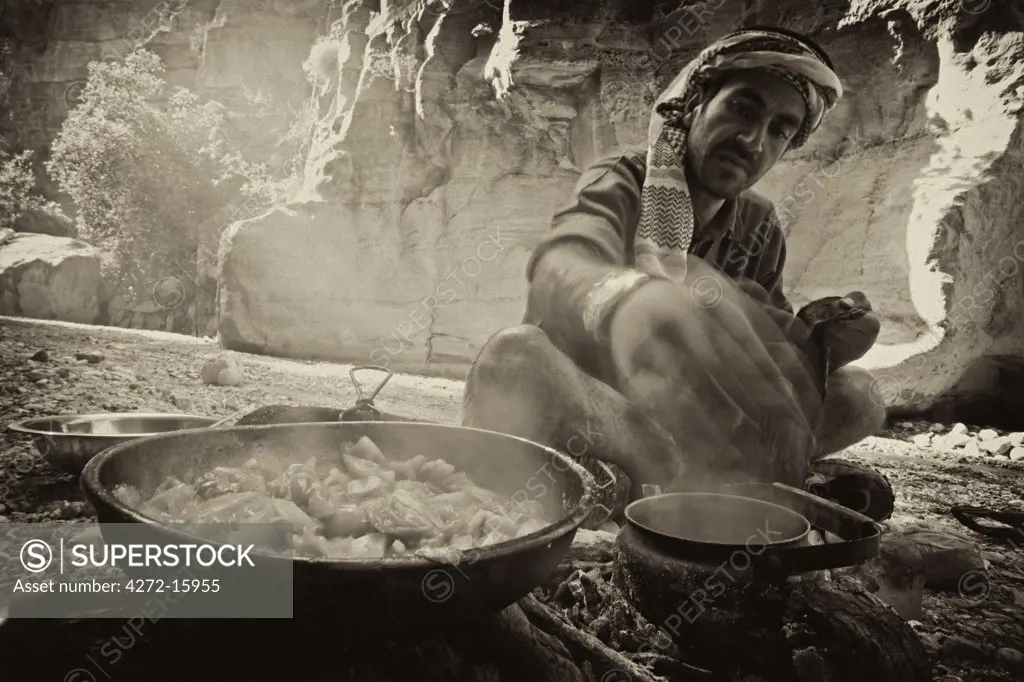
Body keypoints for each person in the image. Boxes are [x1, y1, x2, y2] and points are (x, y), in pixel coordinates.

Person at [462, 27, 887, 516]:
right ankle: (673, 480)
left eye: (779, 131)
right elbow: (561, 261)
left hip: (696, 421)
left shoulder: (760, 224)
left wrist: (820, 338)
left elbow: (768, 348)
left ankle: (654, 483)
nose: (754, 141)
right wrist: (631, 296)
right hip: (603, 407)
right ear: (694, 105)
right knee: (512, 356)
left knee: (860, 397)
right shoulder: (622, 179)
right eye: (743, 109)